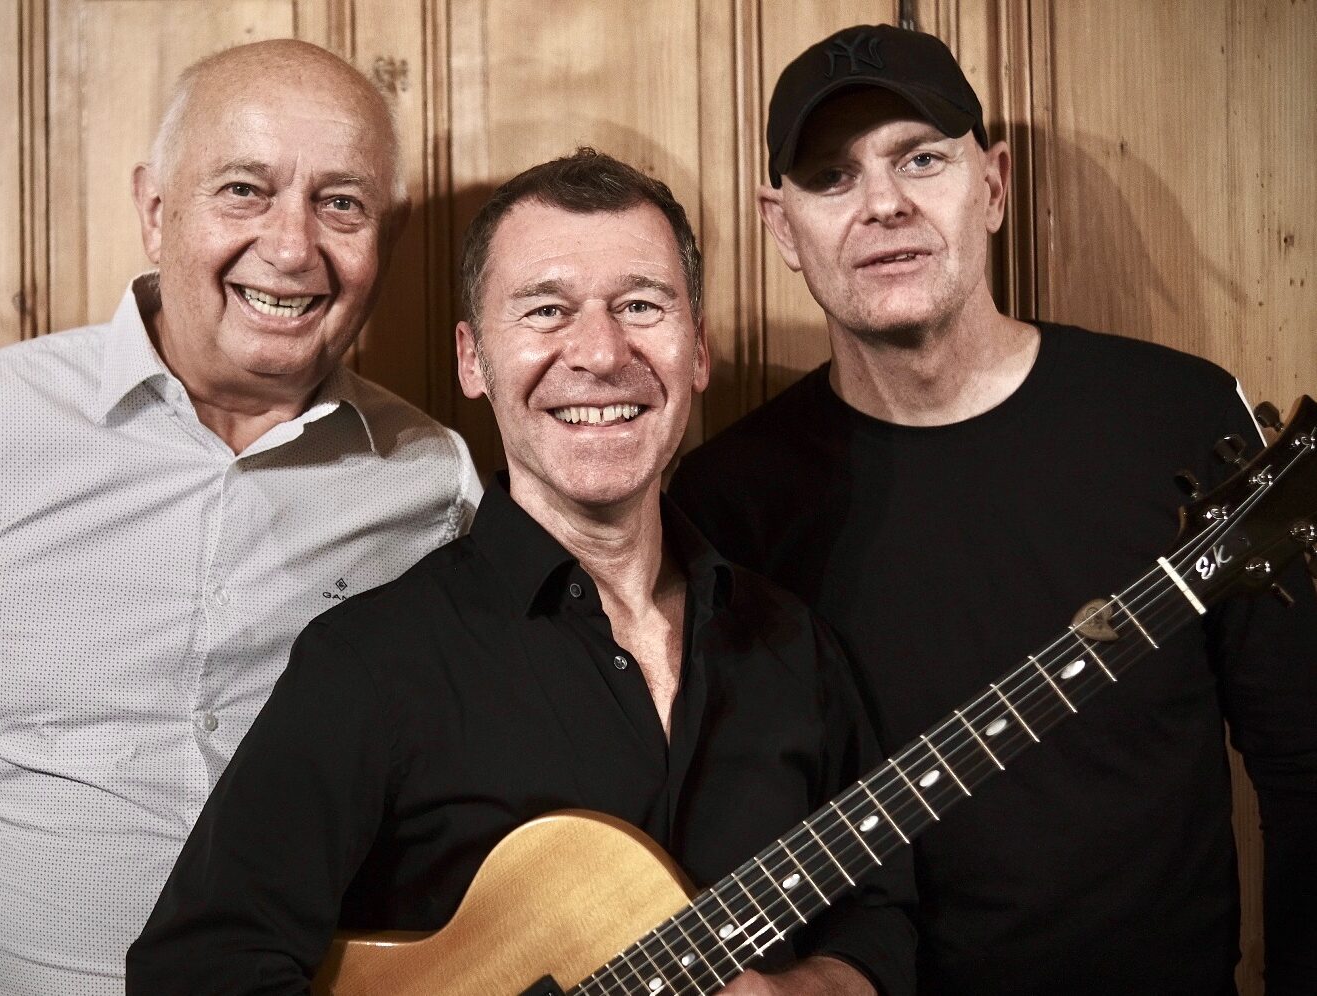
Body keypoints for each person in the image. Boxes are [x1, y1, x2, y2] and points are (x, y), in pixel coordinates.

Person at [126, 149, 917, 996]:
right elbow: (195, 971)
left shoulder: (793, 648)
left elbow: (878, 913)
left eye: (640, 306)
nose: (599, 353)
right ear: (472, 360)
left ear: (696, 349)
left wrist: (808, 988)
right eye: (545, 310)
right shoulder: (371, 664)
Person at [670, 23, 1317, 996]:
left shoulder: (1177, 415)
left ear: (994, 184)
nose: (882, 203)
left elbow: (1303, 755)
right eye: (832, 177)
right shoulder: (724, 499)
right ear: (782, 228)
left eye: (920, 159)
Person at [0, 40, 480, 996]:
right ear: (155, 210)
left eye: (342, 203)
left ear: (387, 237)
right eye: (244, 190)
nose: (292, 247)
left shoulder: (431, 481)